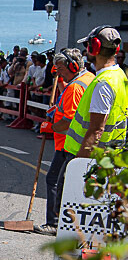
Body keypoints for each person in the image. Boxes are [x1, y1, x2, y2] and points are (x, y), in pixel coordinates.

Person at [34, 48, 94, 235]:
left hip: (70, 143)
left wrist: (50, 127)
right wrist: (59, 83)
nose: (57, 71)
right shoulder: (86, 79)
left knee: (55, 181)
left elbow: (69, 121)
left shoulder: (76, 87)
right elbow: (66, 103)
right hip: (75, 143)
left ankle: (55, 222)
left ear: (73, 66)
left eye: (60, 68)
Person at [66, 26, 128, 159]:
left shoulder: (103, 83)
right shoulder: (119, 75)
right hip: (109, 155)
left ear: (94, 48)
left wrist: (80, 164)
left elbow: (96, 129)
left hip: (87, 156)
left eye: (87, 45)